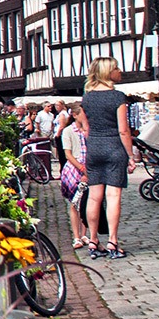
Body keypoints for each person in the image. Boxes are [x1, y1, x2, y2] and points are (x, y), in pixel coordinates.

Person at [82, 57, 133, 260]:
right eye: (116, 68)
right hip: (114, 147)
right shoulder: (117, 97)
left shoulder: (87, 97)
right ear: (108, 72)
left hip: (94, 147)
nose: (119, 71)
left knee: (94, 197)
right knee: (113, 197)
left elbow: (87, 127)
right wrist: (131, 155)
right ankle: (112, 241)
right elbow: (123, 130)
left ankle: (93, 240)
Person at [61, 103, 90, 249]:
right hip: (75, 169)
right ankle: (76, 236)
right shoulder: (68, 131)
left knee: (86, 203)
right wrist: (81, 168)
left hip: (88, 168)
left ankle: (84, 233)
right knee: (74, 203)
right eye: (83, 114)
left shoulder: (88, 130)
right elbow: (68, 154)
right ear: (75, 115)